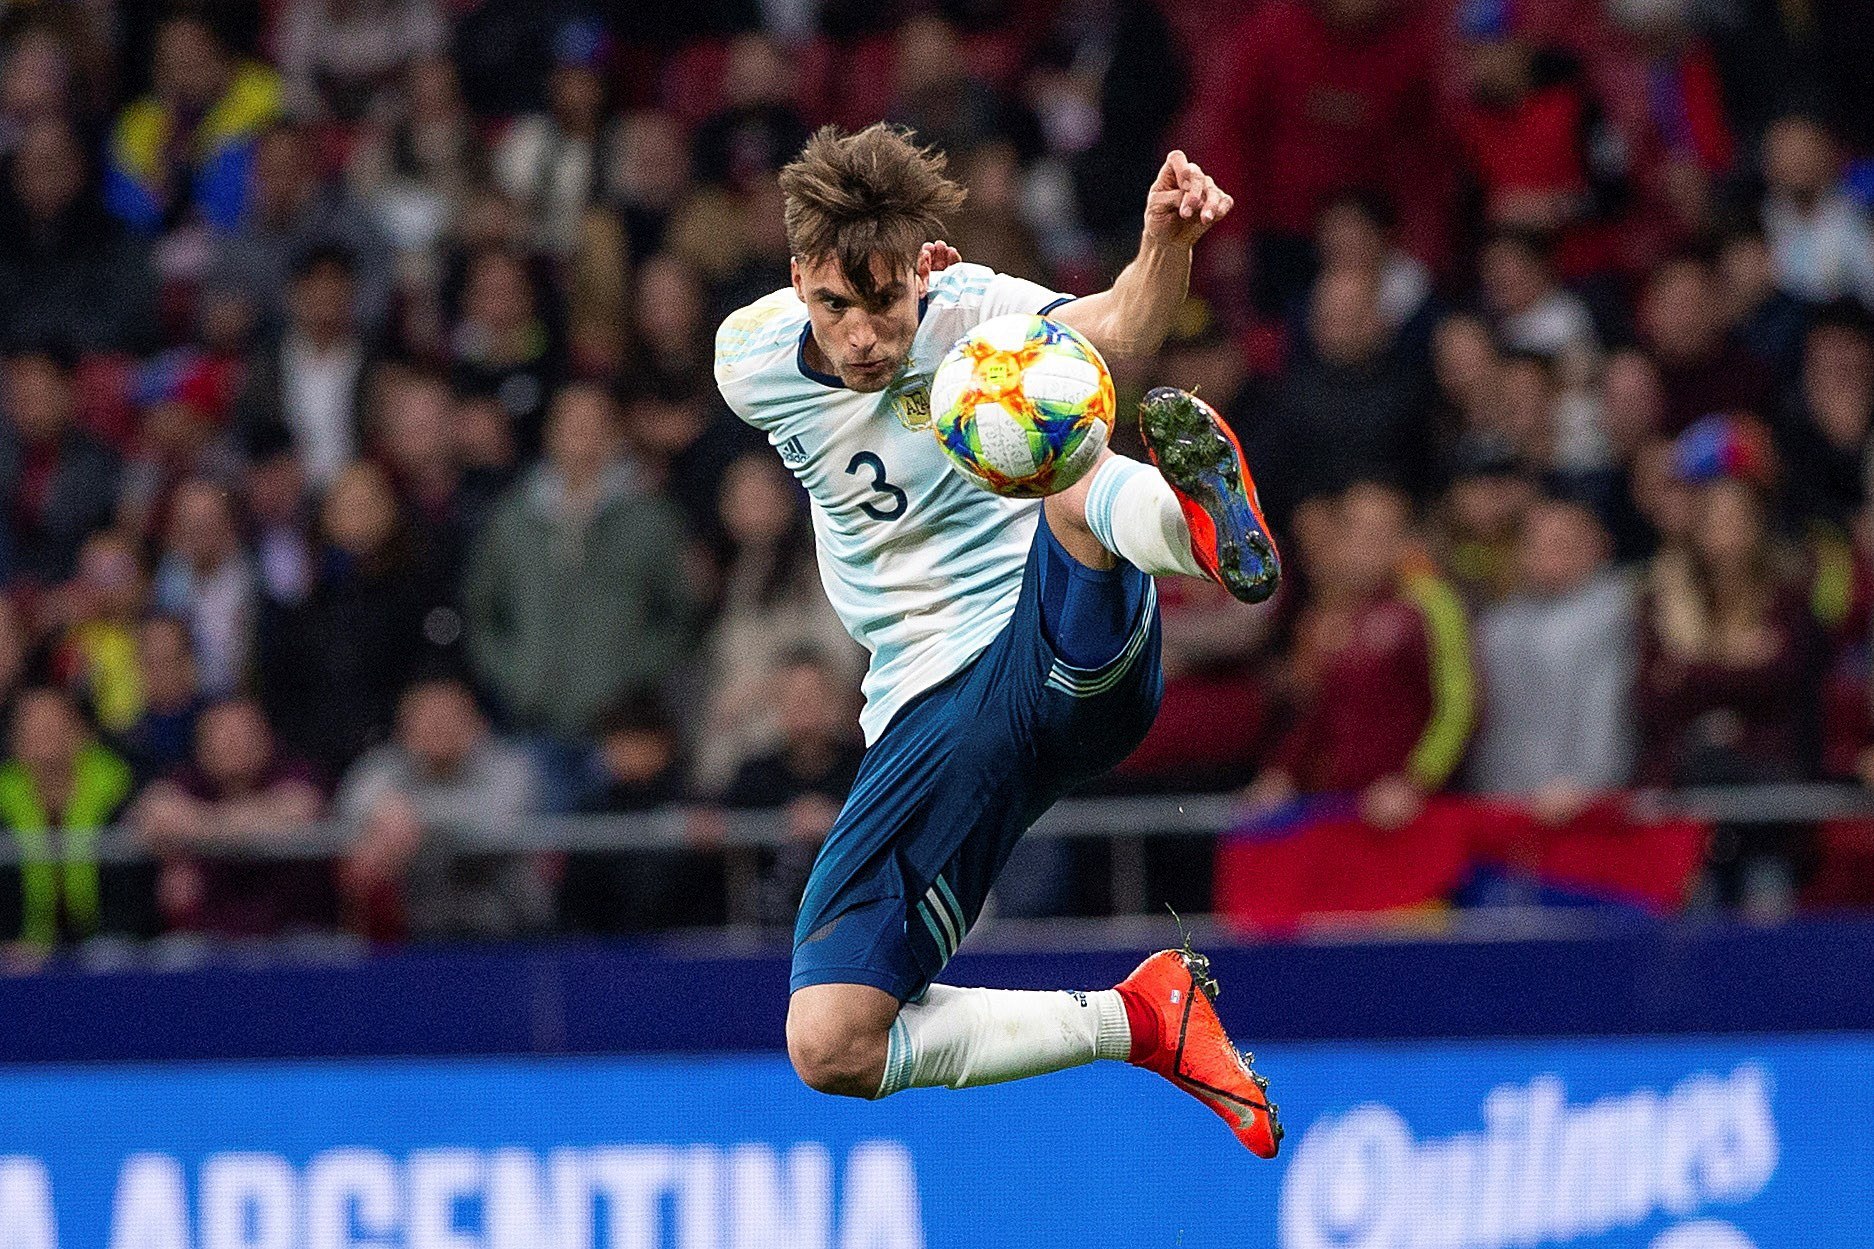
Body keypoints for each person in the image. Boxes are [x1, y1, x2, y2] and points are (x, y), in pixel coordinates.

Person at [714, 123, 1281, 1154]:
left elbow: (1118, 324)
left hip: (1054, 647)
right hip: (929, 716)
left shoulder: (972, 313)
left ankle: (1198, 534)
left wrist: (1165, 242)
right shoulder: (745, 362)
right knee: (830, 1039)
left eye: (884, 304)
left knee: (1052, 415)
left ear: (918, 280)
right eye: (836, 305)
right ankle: (1142, 1019)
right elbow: (832, 360)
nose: (862, 338)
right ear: (799, 278)